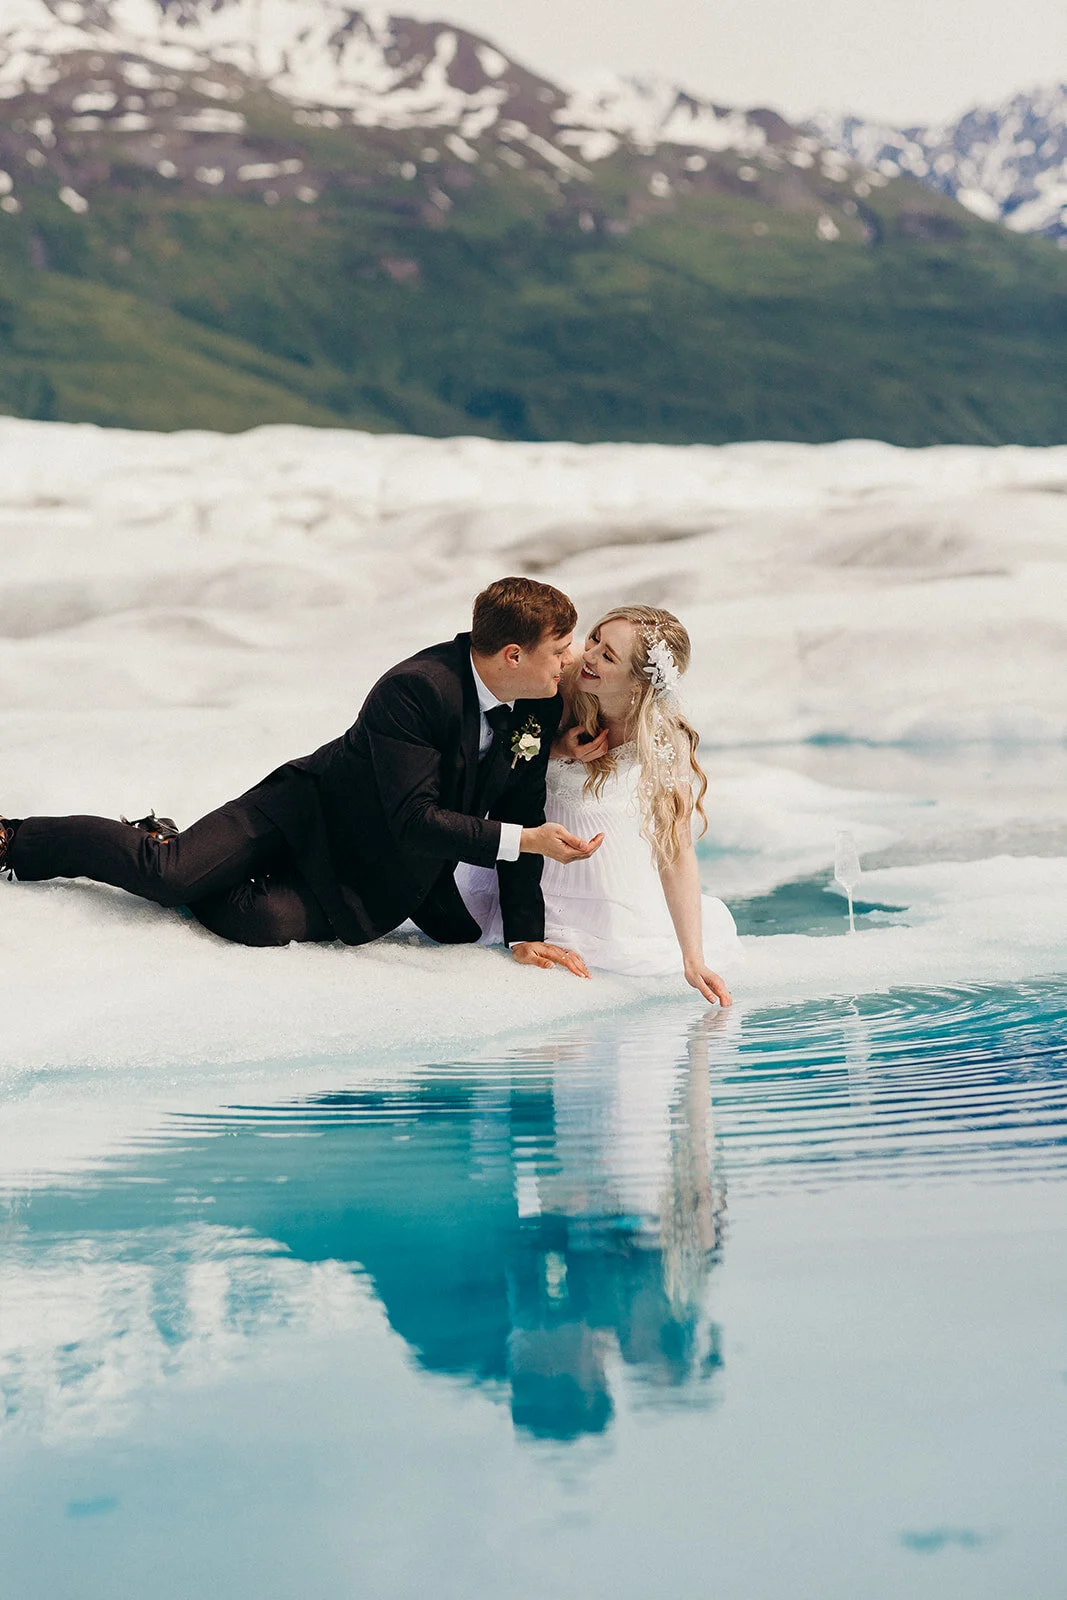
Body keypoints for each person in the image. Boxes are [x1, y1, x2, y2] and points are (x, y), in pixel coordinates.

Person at [0, 577, 603, 975]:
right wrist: (524, 840)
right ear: (513, 655)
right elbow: (415, 819)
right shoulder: (416, 689)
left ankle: (172, 838)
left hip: (368, 869)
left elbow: (526, 808)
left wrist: (526, 933)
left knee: (256, 923)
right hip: (300, 814)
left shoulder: (537, 703)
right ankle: (17, 838)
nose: (571, 661)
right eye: (562, 649)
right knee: (172, 874)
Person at [456, 605, 738, 1004]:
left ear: (638, 684)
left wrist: (692, 958)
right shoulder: (557, 682)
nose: (584, 656)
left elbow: (674, 847)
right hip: (524, 845)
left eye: (608, 656)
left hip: (597, 869)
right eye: (594, 638)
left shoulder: (660, 738)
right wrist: (553, 750)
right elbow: (491, 752)